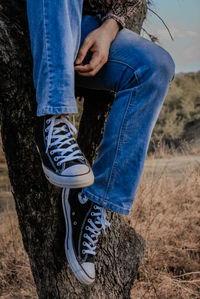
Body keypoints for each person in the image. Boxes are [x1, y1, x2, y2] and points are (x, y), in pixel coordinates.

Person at [26, 0, 175, 285]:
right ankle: (53, 120)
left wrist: (109, 28)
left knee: (156, 67)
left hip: (87, 27)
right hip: (39, 19)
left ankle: (91, 202)